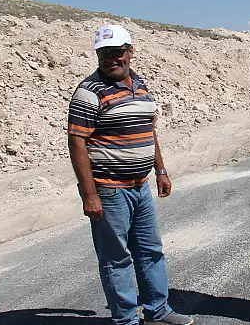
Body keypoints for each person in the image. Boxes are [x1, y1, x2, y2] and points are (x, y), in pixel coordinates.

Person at [67, 24, 193, 325]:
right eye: (104, 53)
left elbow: (149, 131)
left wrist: (160, 170)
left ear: (130, 52)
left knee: (150, 251)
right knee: (116, 258)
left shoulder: (141, 85)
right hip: (110, 191)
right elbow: (77, 142)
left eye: (117, 52)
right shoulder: (89, 92)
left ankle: (157, 310)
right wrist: (90, 194)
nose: (111, 59)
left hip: (140, 187)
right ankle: (125, 320)